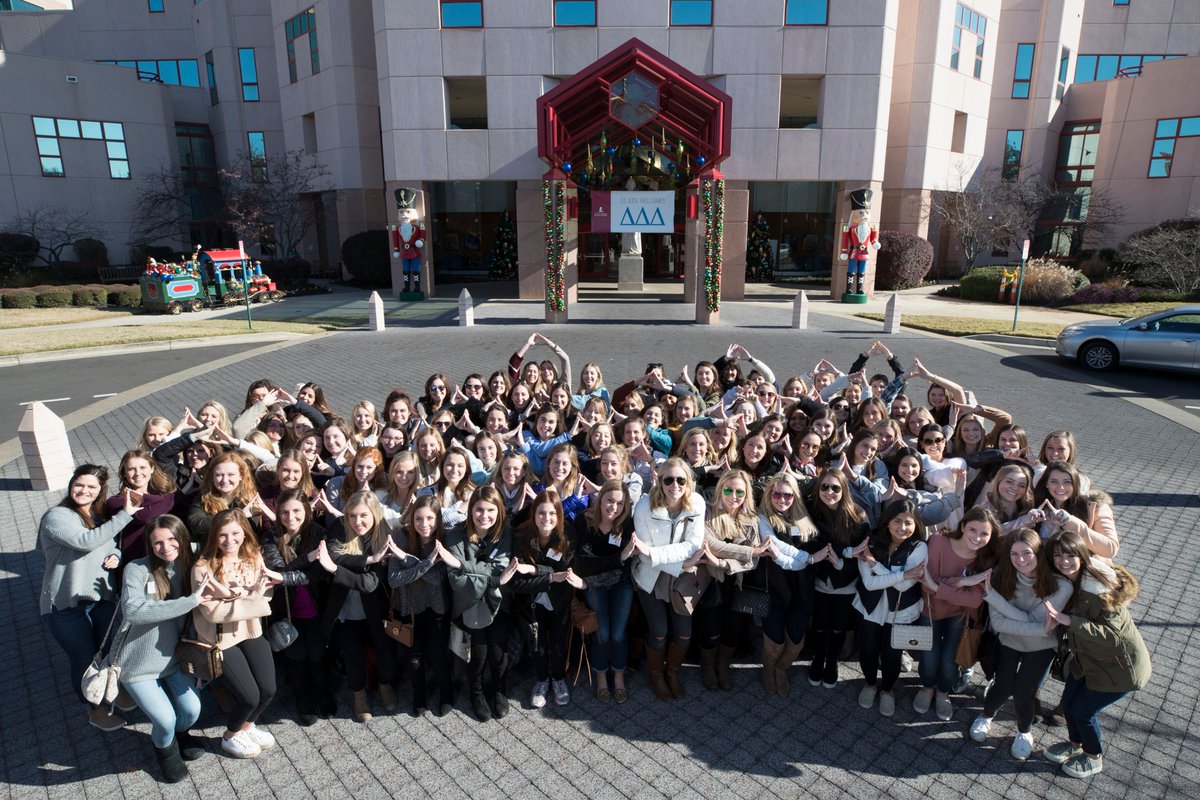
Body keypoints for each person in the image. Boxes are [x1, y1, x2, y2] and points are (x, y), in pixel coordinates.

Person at [1042, 531, 1151, 779]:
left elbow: (1113, 637)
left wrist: (1069, 621)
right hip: (1088, 661)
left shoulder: (1100, 589)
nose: (1064, 561)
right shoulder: (1069, 582)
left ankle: (1093, 757)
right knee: (1068, 704)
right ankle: (1075, 744)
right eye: (1058, 555)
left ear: (1082, 555)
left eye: (1070, 555)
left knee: (1082, 711)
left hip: (1119, 668)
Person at [39, 464, 139, 731]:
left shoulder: (98, 515)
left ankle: (111, 691)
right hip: (65, 605)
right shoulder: (57, 516)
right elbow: (85, 541)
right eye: (79, 485)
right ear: (71, 485)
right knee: (84, 660)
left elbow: (111, 544)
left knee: (107, 652)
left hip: (100, 598)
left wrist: (116, 555)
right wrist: (125, 515)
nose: (84, 491)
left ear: (100, 491)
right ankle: (95, 710)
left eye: (91, 487)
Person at [118, 515, 210, 782]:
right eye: (157, 542)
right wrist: (190, 601)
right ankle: (165, 752)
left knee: (191, 711)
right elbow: (133, 610)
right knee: (165, 720)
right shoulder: (137, 569)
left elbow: (220, 542)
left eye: (172, 539)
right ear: (149, 544)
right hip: (138, 663)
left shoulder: (191, 562)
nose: (166, 547)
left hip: (175, 657)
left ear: (182, 538)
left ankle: (179, 736)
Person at [969, 528, 1073, 760]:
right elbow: (999, 623)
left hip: (1042, 646)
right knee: (1003, 686)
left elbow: (1035, 622)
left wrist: (992, 597)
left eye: (1027, 553)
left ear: (1038, 553)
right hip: (1009, 641)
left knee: (1024, 692)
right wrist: (1037, 627)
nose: (1021, 560)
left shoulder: (1061, 585)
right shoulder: (999, 577)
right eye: (1014, 554)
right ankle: (986, 715)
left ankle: (1024, 732)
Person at [191, 508, 278, 759]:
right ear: (214, 536)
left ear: (245, 533)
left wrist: (230, 595)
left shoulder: (254, 557)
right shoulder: (202, 568)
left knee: (268, 689)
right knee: (249, 697)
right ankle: (230, 735)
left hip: (250, 630)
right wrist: (249, 598)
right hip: (221, 639)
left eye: (235, 533)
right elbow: (212, 613)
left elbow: (266, 595)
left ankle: (247, 727)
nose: (229, 540)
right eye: (222, 535)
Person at [629, 458, 706, 700]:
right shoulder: (644, 506)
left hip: (680, 578)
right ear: (659, 480)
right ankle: (656, 675)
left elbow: (693, 544)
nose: (675, 485)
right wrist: (682, 561)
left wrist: (661, 556)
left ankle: (672, 672)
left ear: (688, 482)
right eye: (668, 480)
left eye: (681, 480)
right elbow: (644, 552)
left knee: (683, 634)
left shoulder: (696, 503)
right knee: (659, 632)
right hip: (649, 576)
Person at [259, 489, 337, 725]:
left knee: (317, 654)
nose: (290, 517)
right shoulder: (270, 537)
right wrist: (308, 559)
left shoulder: (319, 533)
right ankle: (302, 698)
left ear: (306, 511)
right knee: (297, 656)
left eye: (296, 511)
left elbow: (319, 574)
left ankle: (322, 692)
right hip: (287, 612)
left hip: (317, 608)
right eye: (284, 512)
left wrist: (293, 573)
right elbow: (277, 572)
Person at [914, 507, 999, 720]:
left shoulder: (986, 558)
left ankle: (943, 692)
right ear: (963, 526)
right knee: (929, 657)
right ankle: (927, 687)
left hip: (960, 616)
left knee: (949, 660)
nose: (977, 537)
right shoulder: (938, 541)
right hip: (930, 611)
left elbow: (974, 599)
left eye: (984, 533)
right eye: (973, 530)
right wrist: (962, 582)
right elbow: (925, 585)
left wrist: (939, 586)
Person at [322, 491, 399, 722]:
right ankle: (359, 694)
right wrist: (369, 560)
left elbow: (370, 583)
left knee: (385, 651)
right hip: (346, 611)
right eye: (352, 516)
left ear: (375, 514)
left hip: (376, 610)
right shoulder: (340, 527)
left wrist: (338, 570)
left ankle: (385, 685)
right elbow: (333, 555)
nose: (357, 522)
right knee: (352, 654)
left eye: (364, 515)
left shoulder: (384, 537)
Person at [507, 490, 586, 708]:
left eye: (552, 513)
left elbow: (564, 571)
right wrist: (550, 576)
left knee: (558, 641)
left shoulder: (568, 533)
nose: (546, 518)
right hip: (530, 600)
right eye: (541, 513)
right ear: (533, 514)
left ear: (559, 515)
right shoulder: (521, 535)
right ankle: (541, 680)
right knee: (537, 643)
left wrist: (533, 569)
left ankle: (558, 678)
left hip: (559, 598)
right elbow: (516, 581)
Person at [851, 499, 929, 717]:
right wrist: (901, 574)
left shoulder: (919, 547)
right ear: (887, 521)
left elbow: (904, 587)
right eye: (897, 521)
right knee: (867, 650)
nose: (903, 527)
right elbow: (869, 583)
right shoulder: (871, 541)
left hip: (901, 612)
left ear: (916, 524)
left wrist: (876, 565)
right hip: (870, 607)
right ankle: (870, 684)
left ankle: (887, 690)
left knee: (892, 656)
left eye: (908, 522)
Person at [447, 485, 518, 721]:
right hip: (469, 603)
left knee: (498, 651)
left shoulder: (505, 532)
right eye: (479, 509)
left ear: (499, 511)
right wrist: (493, 579)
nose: (484, 515)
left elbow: (501, 567)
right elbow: (457, 580)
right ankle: (476, 692)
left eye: (490, 510)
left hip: (498, 602)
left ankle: (499, 690)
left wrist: (464, 566)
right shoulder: (456, 535)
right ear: (470, 510)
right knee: (478, 653)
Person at [388, 495, 462, 717]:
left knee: (438, 653)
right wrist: (428, 563)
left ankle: (446, 692)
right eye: (418, 518)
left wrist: (406, 559)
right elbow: (394, 579)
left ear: (438, 519)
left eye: (430, 518)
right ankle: (419, 693)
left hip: (437, 606)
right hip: (409, 607)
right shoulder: (400, 537)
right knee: (413, 657)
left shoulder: (445, 539)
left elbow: (438, 577)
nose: (424, 524)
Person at [758, 472, 829, 696]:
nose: (782, 499)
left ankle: (781, 669)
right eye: (777, 494)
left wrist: (810, 560)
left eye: (788, 495)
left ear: (795, 496)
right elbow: (774, 546)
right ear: (769, 494)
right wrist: (808, 559)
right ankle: (768, 669)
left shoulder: (805, 518)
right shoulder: (762, 517)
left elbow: (818, 546)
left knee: (797, 639)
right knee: (775, 639)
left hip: (801, 589)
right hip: (773, 588)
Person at [573, 479, 636, 703]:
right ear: (600, 499)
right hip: (594, 584)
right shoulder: (584, 521)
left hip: (621, 582)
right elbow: (584, 563)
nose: (614, 507)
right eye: (610, 500)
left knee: (618, 633)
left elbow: (625, 564)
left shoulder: (627, 523)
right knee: (602, 633)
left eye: (620, 504)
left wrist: (616, 561)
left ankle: (618, 676)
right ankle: (601, 677)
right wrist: (619, 557)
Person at [806, 468, 870, 688]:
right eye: (824, 486)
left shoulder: (858, 516)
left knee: (838, 626)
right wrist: (845, 552)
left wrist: (842, 561)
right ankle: (818, 659)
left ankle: (832, 661)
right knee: (819, 623)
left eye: (835, 487)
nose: (829, 492)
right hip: (819, 579)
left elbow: (863, 552)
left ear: (844, 490)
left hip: (845, 582)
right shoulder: (811, 512)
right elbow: (810, 544)